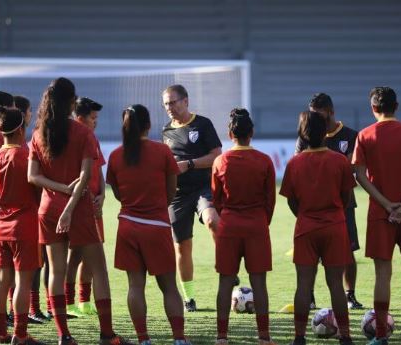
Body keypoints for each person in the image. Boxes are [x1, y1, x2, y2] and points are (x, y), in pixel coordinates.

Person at [28, 77, 132, 345]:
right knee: (99, 270)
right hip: (79, 208)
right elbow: (86, 175)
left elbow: (33, 176)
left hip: (48, 208)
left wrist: (59, 189)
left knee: (57, 272)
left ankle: (64, 336)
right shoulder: (83, 133)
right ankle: (107, 335)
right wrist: (70, 204)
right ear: (71, 102)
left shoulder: (38, 134)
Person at [107, 104, 192, 345]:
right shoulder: (162, 152)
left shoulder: (115, 155)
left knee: (135, 285)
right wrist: (155, 207)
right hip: (157, 225)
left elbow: (117, 194)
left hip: (128, 226)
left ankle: (144, 340)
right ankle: (179, 339)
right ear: (148, 125)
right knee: (169, 287)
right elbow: (171, 191)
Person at [352, 87, 401, 345]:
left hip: (380, 213)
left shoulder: (365, 135)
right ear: (396, 106)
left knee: (382, 274)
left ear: (373, 108)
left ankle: (381, 336)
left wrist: (386, 205)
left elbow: (360, 175)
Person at [282, 111, 355, 345]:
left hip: (306, 228)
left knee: (304, 284)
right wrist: (333, 213)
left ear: (301, 134)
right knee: (336, 284)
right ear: (325, 131)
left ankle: (299, 337)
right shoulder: (339, 160)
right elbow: (346, 197)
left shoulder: (294, 163)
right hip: (334, 226)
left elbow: (291, 200)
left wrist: (304, 215)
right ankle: (345, 337)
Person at [212, 109, 276, 345]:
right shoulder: (264, 160)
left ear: (230, 134)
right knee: (259, 283)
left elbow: (216, 199)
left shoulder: (220, 161)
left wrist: (228, 216)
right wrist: (261, 221)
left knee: (225, 281)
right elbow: (270, 200)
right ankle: (264, 337)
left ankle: (221, 337)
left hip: (229, 227)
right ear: (252, 133)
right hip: (256, 225)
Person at [294, 93, 363, 310]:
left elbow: (352, 166)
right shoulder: (305, 137)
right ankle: (311, 296)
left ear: (331, 112)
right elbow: (298, 163)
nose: (316, 120)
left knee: (348, 250)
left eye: (320, 116)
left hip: (343, 202)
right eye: (313, 115)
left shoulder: (351, 135)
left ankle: (350, 294)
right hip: (312, 204)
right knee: (310, 255)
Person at [161, 84, 223, 312]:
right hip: (178, 195)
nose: (170, 107)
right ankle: (189, 298)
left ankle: (225, 266)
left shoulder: (203, 124)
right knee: (181, 247)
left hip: (204, 187)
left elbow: (217, 156)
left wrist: (189, 164)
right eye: (166, 103)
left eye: (173, 102)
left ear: (186, 101)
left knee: (212, 220)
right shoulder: (166, 131)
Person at [0, 107, 44, 345]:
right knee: (22, 281)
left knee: (2, 280)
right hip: (24, 225)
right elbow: (39, 190)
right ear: (21, 129)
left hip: (1, 226)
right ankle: (20, 334)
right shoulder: (25, 156)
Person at [65, 97, 105, 317]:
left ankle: (84, 300)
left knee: (93, 253)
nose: (95, 121)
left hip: (95, 205)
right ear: (79, 117)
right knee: (76, 254)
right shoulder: (72, 137)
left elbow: (98, 167)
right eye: (92, 117)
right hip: (78, 204)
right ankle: (69, 302)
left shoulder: (92, 137)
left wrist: (102, 195)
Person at [14, 95, 50, 324]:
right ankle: (30, 310)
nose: (31, 114)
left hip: (21, 215)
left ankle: (29, 310)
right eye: (28, 111)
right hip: (27, 215)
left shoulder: (22, 144)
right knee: (34, 263)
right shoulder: (21, 150)